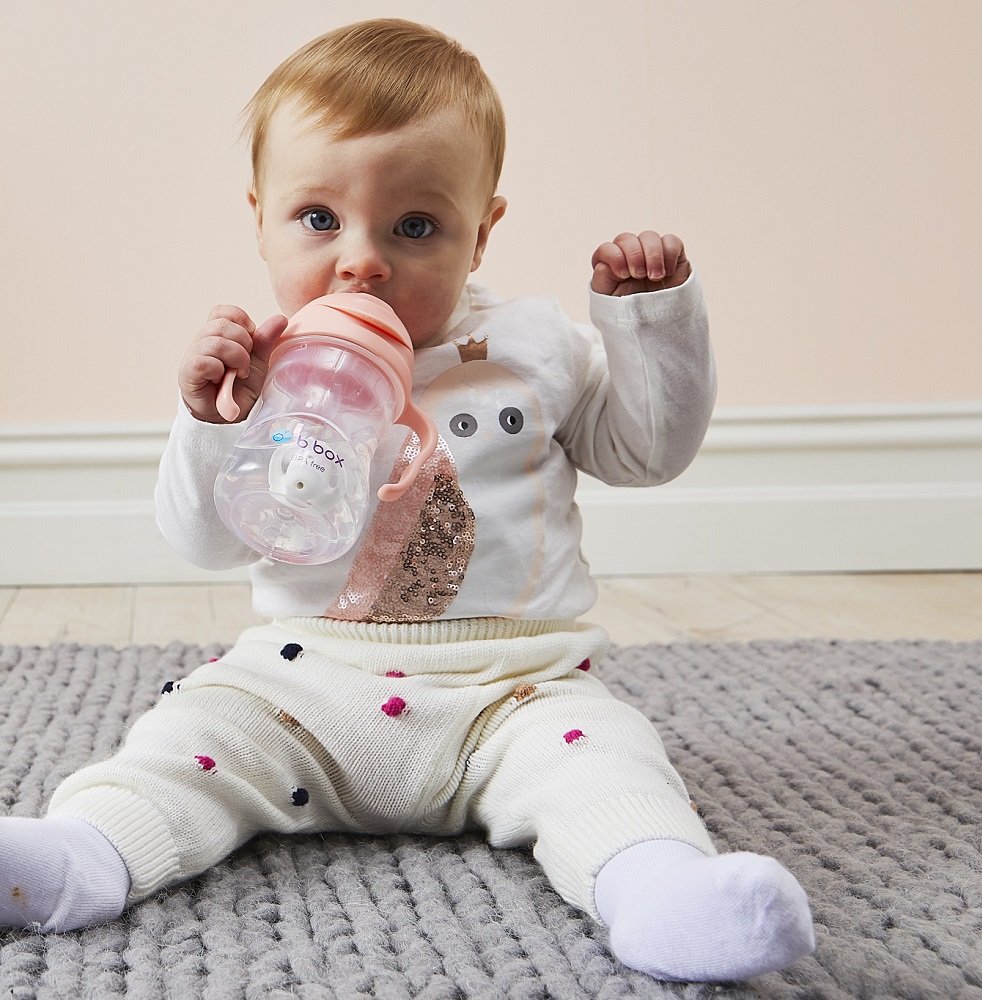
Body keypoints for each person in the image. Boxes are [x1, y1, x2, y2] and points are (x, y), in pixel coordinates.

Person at [0, 19, 815, 983]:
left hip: (513, 692)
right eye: (317, 219)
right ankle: (74, 857)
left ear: (483, 230)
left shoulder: (529, 345)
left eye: (415, 227)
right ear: (259, 216)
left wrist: (649, 321)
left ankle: (660, 889)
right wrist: (208, 421)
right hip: (301, 685)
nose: (362, 261)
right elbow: (204, 544)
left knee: (607, 761)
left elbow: (644, 454)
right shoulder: (264, 368)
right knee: (187, 734)